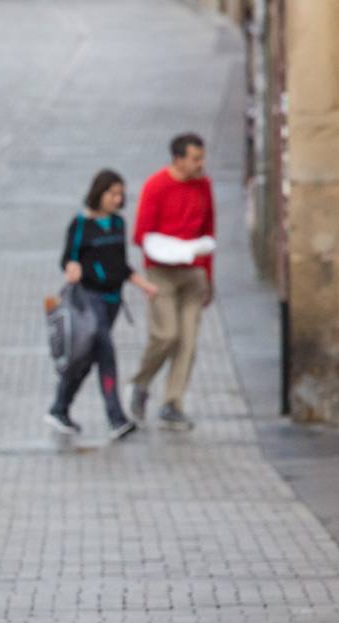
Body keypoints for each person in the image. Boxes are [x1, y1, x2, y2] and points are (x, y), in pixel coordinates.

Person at [46, 169, 160, 440]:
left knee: (86, 359)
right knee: (106, 353)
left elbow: (120, 265)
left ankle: (59, 408)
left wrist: (143, 285)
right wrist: (71, 268)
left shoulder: (118, 224)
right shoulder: (81, 224)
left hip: (113, 300)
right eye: (112, 193)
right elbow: (68, 258)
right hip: (89, 299)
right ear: (99, 193)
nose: (117, 199)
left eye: (121, 194)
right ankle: (116, 419)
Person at [128, 133, 215, 431]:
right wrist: (173, 249)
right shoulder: (157, 186)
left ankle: (173, 402)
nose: (200, 164)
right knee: (166, 335)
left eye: (201, 158)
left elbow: (208, 228)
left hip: (193, 273)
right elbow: (141, 234)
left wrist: (207, 274)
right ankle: (141, 382)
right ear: (178, 159)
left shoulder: (203, 185)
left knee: (188, 341)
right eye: (195, 159)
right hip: (161, 271)